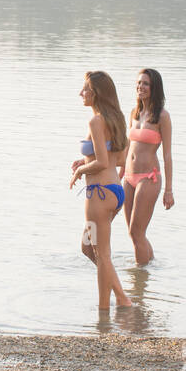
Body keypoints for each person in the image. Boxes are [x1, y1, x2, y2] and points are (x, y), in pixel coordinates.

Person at [69, 71, 132, 309]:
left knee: (102, 253)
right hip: (115, 191)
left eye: (85, 89)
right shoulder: (116, 117)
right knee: (88, 247)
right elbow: (120, 160)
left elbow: (104, 162)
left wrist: (79, 172)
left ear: (96, 94)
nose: (81, 93)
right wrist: (84, 162)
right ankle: (121, 297)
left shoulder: (95, 121)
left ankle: (105, 312)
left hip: (98, 194)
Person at [122, 68, 175, 264]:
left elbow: (167, 155)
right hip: (129, 178)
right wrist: (117, 172)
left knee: (137, 232)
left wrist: (168, 190)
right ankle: (149, 269)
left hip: (148, 178)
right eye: (138, 83)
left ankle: (139, 283)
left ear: (154, 88)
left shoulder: (162, 116)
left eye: (145, 84)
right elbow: (127, 148)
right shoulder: (134, 113)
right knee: (133, 234)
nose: (140, 87)